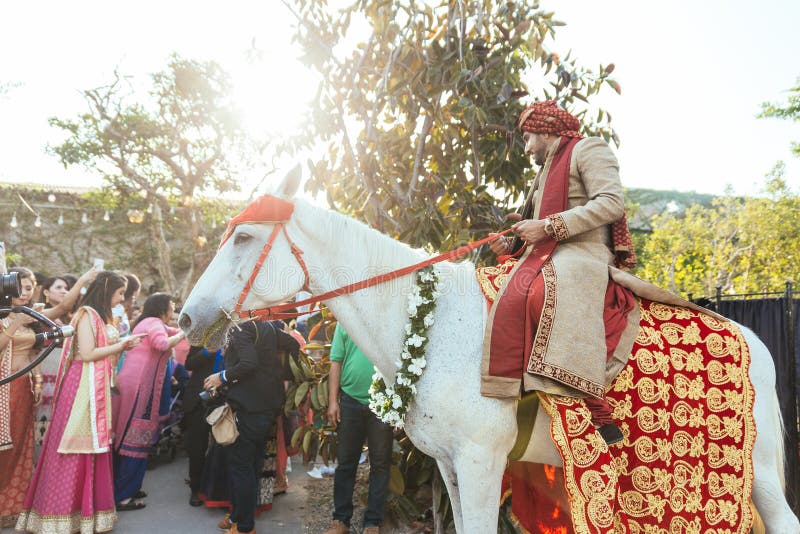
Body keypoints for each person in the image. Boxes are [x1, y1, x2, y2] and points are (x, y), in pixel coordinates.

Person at [481, 100, 639, 445]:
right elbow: (536, 231)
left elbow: (612, 203)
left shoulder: (589, 149)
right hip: (546, 253)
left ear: (546, 129)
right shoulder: (544, 171)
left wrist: (550, 226)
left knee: (539, 292)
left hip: (583, 253)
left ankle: (596, 406)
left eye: (528, 138)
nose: (526, 148)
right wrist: (511, 248)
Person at [16, 271, 144, 534]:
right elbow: (87, 354)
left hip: (95, 386)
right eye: (120, 293)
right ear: (108, 290)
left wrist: (121, 345)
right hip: (80, 389)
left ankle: (88, 515)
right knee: (74, 446)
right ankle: (59, 515)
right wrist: (121, 346)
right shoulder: (87, 314)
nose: (121, 298)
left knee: (93, 448)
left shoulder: (104, 316)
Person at [0, 267, 97, 527]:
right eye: (19, 287)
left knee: (20, 448)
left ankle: (11, 507)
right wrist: (15, 324)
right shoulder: (6, 316)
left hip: (24, 387)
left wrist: (84, 280)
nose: (24, 293)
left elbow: (63, 306)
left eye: (29, 288)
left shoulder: (30, 315)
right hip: (3, 388)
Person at [203, 320, 299, 534]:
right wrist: (281, 379)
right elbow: (293, 344)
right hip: (267, 408)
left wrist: (222, 377)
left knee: (241, 467)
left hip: (249, 409)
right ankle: (238, 517)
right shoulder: (267, 328)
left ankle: (245, 527)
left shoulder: (240, 328)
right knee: (251, 466)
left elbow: (249, 363)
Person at [112, 292, 185, 510]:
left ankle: (127, 488)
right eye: (172, 306)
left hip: (134, 384)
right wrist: (182, 336)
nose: (173, 310)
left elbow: (176, 332)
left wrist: (186, 329)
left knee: (131, 437)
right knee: (136, 439)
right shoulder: (153, 324)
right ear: (162, 307)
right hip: (140, 389)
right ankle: (123, 496)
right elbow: (163, 344)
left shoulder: (149, 322)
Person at [324, 324, 393, 534]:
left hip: (382, 403)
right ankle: (341, 521)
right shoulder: (345, 321)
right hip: (350, 401)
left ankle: (373, 522)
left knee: (380, 464)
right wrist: (333, 402)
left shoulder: (383, 317)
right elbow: (336, 361)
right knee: (346, 464)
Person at [183, 345, 221, 506]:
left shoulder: (238, 336)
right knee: (197, 447)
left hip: (224, 400)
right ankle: (196, 489)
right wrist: (207, 352)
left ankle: (216, 490)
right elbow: (189, 364)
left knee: (222, 446)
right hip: (198, 400)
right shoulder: (203, 336)